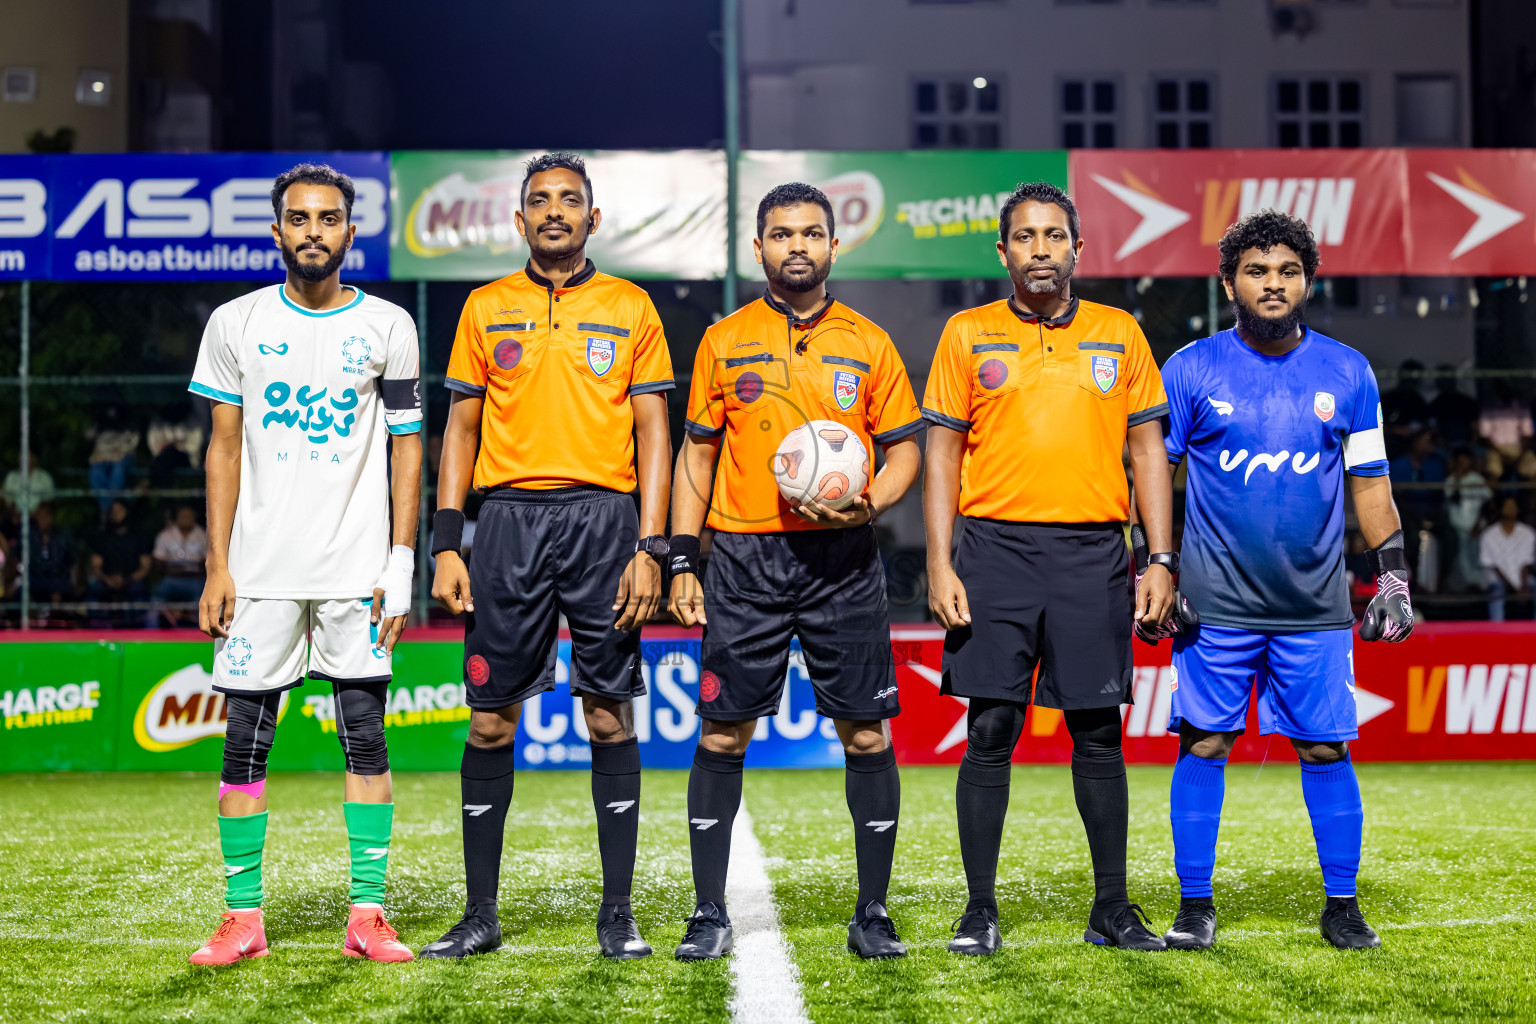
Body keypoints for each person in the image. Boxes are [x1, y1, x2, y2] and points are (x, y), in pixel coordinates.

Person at [422, 152, 674, 962]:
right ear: (519, 219)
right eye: (540, 201)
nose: (555, 211)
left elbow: (654, 436)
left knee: (607, 714)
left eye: (571, 200)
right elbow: (458, 427)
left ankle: (618, 913)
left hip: (606, 521)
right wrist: (448, 539)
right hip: (506, 524)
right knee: (492, 721)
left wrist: (655, 548)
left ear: (593, 219)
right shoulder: (485, 307)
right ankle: (480, 914)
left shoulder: (631, 306)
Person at [668, 183, 923, 961]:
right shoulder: (724, 340)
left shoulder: (869, 343)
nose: (798, 246)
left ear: (834, 247)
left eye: (812, 233)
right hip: (744, 558)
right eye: (782, 235)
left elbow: (907, 445)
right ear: (760, 249)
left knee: (867, 735)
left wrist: (871, 498)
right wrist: (684, 559)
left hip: (841, 560)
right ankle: (710, 912)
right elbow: (698, 454)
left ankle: (872, 912)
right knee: (720, 735)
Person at [923, 181, 1175, 955]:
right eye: (1026, 237)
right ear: (1003, 252)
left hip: (1094, 554)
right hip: (993, 552)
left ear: (1077, 249)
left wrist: (1159, 558)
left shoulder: (1119, 332)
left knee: (1098, 732)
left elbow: (1147, 454)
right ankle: (979, 910)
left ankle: (1112, 907)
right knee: (989, 728)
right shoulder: (966, 334)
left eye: (1054, 236)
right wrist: (940, 562)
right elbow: (941, 457)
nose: (1041, 249)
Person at [186, 163, 423, 965]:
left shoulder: (389, 324)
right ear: (278, 230)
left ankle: (368, 915)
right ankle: (242, 918)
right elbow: (221, 448)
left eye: (329, 218)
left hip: (356, 572)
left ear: (351, 233)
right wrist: (218, 565)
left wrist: (401, 560)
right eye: (299, 218)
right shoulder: (234, 322)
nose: (314, 230)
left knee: (367, 739)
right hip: (260, 574)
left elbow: (406, 448)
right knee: (244, 744)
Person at [1159, 211, 1413, 954]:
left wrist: (1391, 578)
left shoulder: (1349, 372)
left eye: (1288, 272)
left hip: (1316, 610)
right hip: (1212, 607)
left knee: (1327, 750)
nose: (1273, 285)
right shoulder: (1191, 369)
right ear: (1228, 281)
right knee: (1203, 744)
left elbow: (1371, 485)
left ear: (1308, 279)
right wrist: (1156, 567)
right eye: (1257, 271)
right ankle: (1195, 903)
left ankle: (1342, 903)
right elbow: (1151, 480)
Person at [88, 499, 152, 616]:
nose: (116, 514)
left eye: (120, 511)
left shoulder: (139, 536)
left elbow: (145, 567)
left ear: (127, 512)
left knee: (139, 593)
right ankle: (97, 631)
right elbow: (95, 566)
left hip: (132, 580)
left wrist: (127, 580)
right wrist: (107, 579)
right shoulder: (102, 537)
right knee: (94, 591)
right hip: (106, 580)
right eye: (113, 511)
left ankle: (137, 631)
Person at [148, 504, 208, 628]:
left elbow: (207, 562)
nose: (186, 519)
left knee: (202, 599)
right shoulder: (165, 535)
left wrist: (189, 569)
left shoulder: (202, 534)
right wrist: (176, 569)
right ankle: (150, 633)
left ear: (194, 518)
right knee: (157, 598)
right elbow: (158, 562)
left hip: (195, 580)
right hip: (171, 580)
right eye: (183, 516)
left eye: (189, 516)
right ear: (177, 518)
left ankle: (201, 634)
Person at [1480, 497, 1535, 621]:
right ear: (1501, 510)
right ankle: (1497, 630)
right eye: (1507, 506)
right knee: (1497, 591)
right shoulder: (1489, 534)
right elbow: (1492, 565)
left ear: (1518, 510)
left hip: (1522, 578)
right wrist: (1511, 586)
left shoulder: (1528, 533)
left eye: (1513, 506)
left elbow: (1526, 562)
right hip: (1498, 579)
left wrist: (1523, 586)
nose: (1510, 509)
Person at [1445, 449, 1492, 592]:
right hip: (1458, 527)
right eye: (1460, 460)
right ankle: (1469, 585)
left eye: (1465, 459)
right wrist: (1458, 477)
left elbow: (1487, 503)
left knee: (1477, 557)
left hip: (1476, 526)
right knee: (1462, 558)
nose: (1462, 463)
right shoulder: (1451, 480)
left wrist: (1478, 524)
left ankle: (1482, 585)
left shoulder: (1477, 479)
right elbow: (1454, 498)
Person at [86, 406, 140, 517]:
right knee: (96, 467)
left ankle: (107, 510)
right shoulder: (100, 424)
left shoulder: (128, 425)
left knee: (118, 467)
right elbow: (88, 435)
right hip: (104, 457)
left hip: (121, 456)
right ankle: (107, 510)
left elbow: (131, 445)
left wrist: (117, 453)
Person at [26, 501, 78, 606]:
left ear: (52, 517)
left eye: (46, 516)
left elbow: (71, 561)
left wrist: (73, 583)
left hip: (58, 579)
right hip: (36, 579)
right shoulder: (29, 536)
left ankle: (55, 619)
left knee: (61, 591)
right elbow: (24, 561)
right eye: (40, 516)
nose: (43, 520)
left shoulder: (63, 535)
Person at [1427, 366, 1480, 449]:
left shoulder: (1467, 402)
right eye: (1441, 380)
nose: (1445, 383)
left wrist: (1472, 445)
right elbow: (1432, 428)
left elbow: (1475, 427)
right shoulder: (1435, 405)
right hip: (1444, 448)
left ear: (1454, 380)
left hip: (1467, 447)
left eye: (1447, 379)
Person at [3, 450, 55, 516]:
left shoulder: (45, 478)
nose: (22, 459)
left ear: (34, 458)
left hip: (38, 520)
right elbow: (7, 501)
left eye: (26, 455)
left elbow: (49, 501)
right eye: (21, 455)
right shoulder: (11, 477)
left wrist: (35, 514)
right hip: (14, 519)